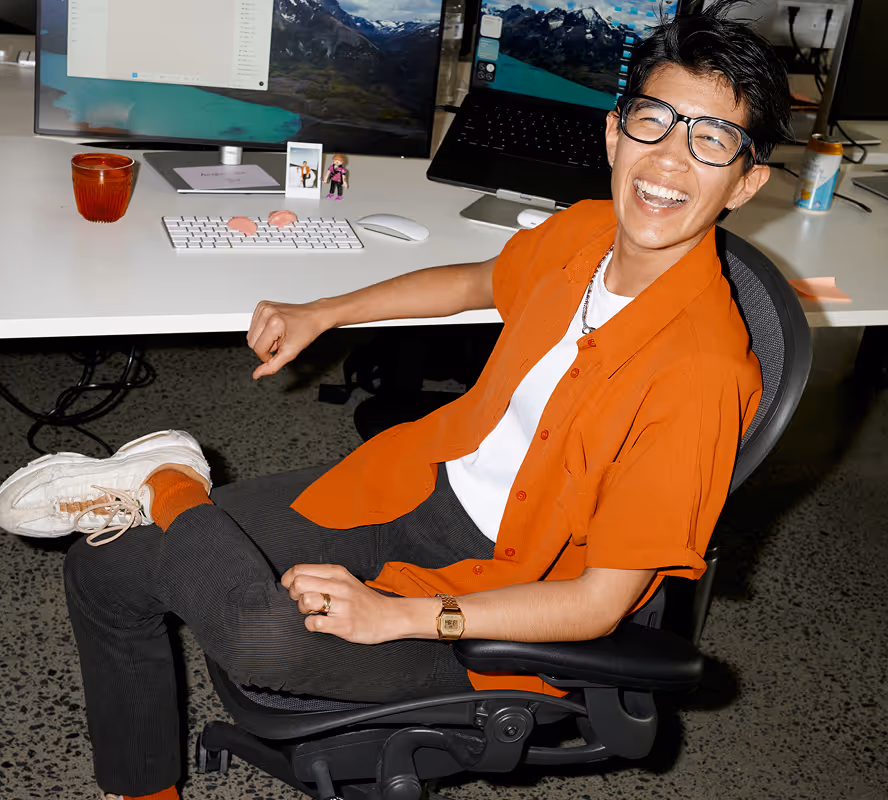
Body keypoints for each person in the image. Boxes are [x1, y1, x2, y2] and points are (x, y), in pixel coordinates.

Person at [0, 4, 792, 799]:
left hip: (500, 602)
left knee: (262, 640)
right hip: (423, 485)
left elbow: (596, 602)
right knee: (107, 567)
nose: (670, 159)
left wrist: (403, 617)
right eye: (655, 121)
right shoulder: (587, 233)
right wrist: (326, 310)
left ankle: (168, 484)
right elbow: (475, 281)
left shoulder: (700, 372)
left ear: (747, 180)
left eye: (712, 138)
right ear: (616, 133)